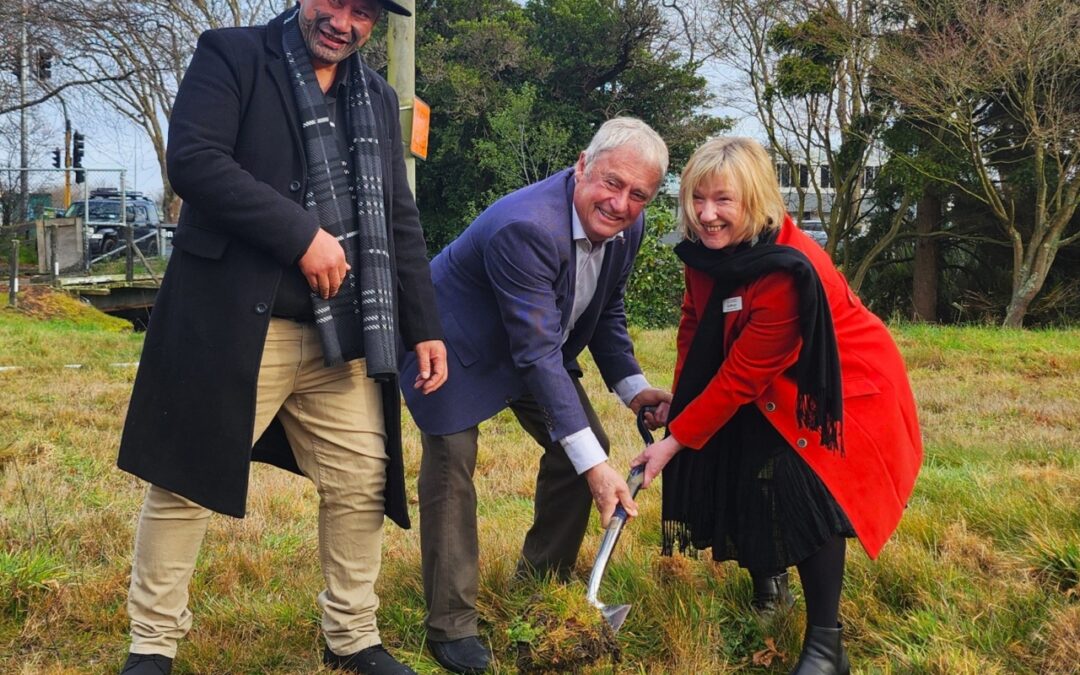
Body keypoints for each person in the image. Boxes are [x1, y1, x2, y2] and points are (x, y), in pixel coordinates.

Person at [114, 1, 446, 674]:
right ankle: (152, 642)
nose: (343, 22)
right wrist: (302, 236)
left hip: (343, 329)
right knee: (185, 479)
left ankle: (351, 634)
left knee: (362, 479)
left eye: (363, 13)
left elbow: (397, 216)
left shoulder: (379, 98)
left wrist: (425, 326)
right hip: (237, 319)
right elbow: (195, 162)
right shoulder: (231, 54)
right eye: (335, 2)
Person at [630, 137, 922, 675]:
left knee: (803, 486)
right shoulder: (707, 254)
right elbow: (696, 332)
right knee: (739, 463)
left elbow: (742, 374)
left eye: (723, 201)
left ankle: (825, 646)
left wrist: (673, 443)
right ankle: (770, 582)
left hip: (842, 389)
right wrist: (683, 408)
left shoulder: (788, 269)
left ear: (756, 199)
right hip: (770, 380)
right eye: (697, 199)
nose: (707, 214)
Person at [398, 118, 672, 674]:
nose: (620, 203)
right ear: (581, 166)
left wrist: (634, 388)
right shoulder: (526, 226)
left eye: (638, 194)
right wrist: (598, 469)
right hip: (455, 343)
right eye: (611, 184)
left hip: (531, 340)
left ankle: (539, 582)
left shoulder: (627, 227)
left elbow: (606, 312)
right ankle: (451, 626)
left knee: (583, 447)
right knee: (452, 467)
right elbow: (536, 356)